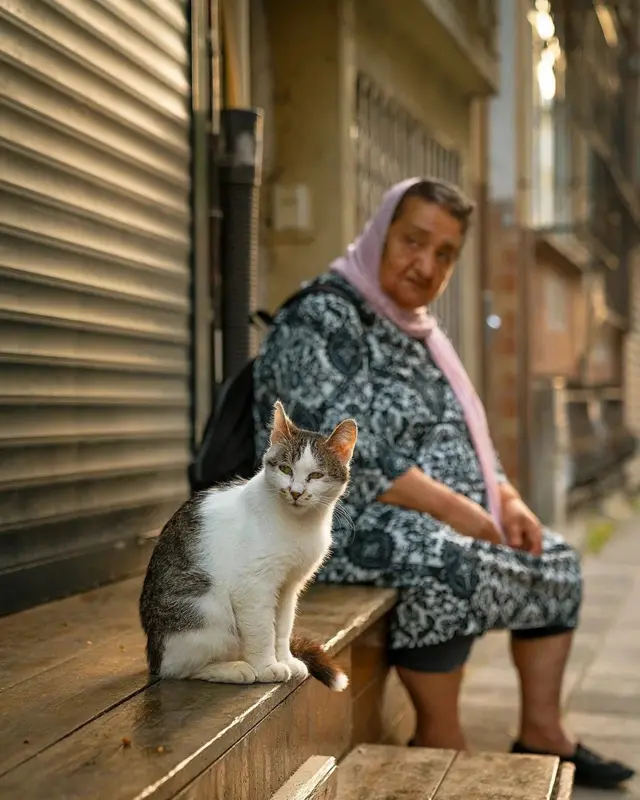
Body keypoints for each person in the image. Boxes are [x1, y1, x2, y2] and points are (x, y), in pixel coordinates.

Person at [252, 178, 634, 789]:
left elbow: (466, 432)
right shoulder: (323, 315)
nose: (425, 264)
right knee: (444, 558)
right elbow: (340, 452)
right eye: (413, 241)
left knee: (555, 557)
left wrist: (507, 501)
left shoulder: (417, 329)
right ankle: (439, 734)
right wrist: (459, 512)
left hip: (431, 514)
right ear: (381, 232)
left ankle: (543, 731)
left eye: (444, 254)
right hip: (333, 520)